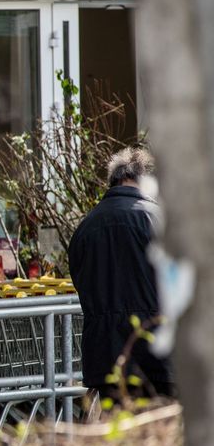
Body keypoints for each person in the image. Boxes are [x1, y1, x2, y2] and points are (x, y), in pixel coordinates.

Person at [68, 147, 174, 399]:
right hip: (157, 353)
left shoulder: (86, 226)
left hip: (104, 354)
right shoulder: (157, 220)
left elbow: (79, 279)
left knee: (119, 433)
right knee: (161, 433)